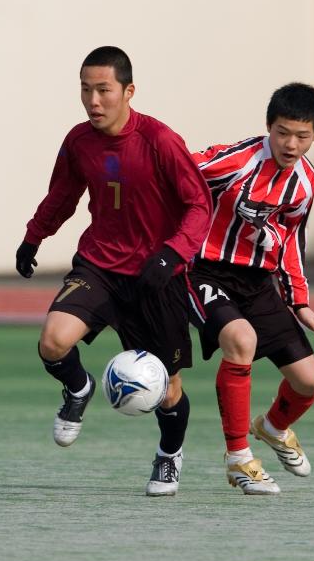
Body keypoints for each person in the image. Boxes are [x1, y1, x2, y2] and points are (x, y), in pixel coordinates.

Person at [15, 45, 212, 496]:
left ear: (129, 91)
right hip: (99, 265)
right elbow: (62, 196)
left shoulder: (160, 141)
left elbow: (199, 204)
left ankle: (168, 455)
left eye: (103, 90)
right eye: (85, 90)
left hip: (154, 277)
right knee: (52, 341)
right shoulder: (79, 141)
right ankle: (79, 389)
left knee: (168, 388)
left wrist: (172, 254)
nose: (93, 101)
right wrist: (34, 236)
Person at [187, 83, 314, 495]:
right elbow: (178, 170)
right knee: (241, 339)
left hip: (257, 283)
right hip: (206, 272)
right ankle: (238, 460)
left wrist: (300, 304)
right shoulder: (236, 160)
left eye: (302, 136)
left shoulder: (305, 181)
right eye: (283, 132)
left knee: (310, 381)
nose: (291, 144)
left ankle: (272, 427)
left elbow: (292, 243)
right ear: (269, 127)